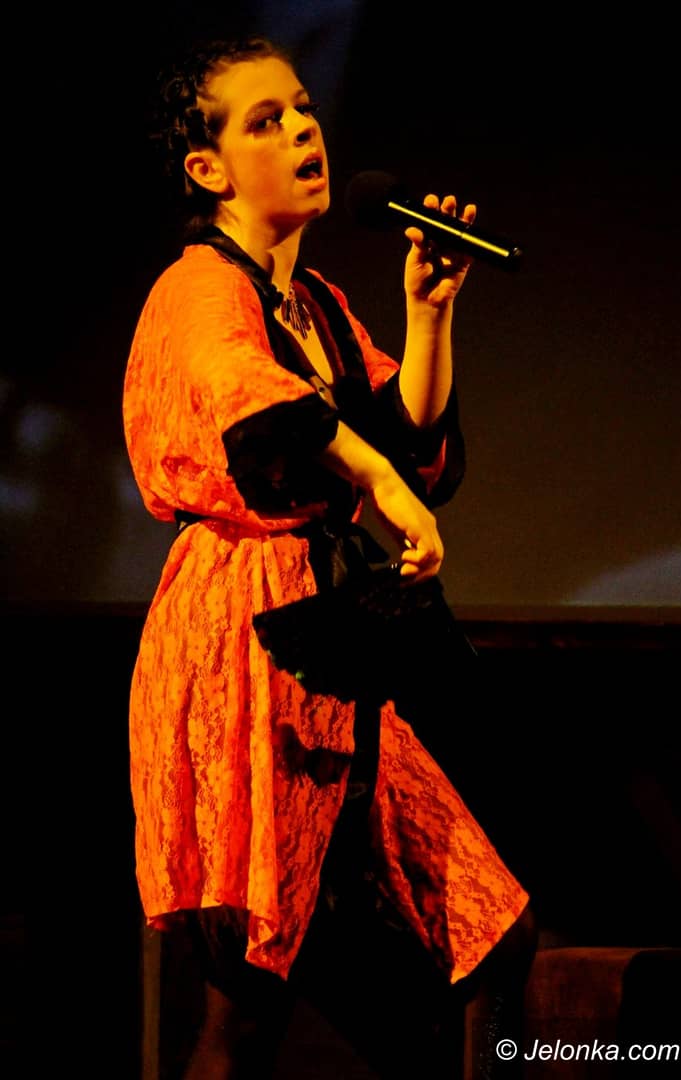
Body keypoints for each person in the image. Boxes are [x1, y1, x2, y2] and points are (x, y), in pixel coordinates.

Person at [123, 35, 536, 1080]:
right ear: (209, 167)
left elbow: (400, 438)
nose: (303, 130)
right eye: (266, 121)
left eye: (303, 109)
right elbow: (248, 396)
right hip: (243, 641)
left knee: (487, 934)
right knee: (248, 1004)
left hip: (329, 649)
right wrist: (381, 485)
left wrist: (429, 316)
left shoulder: (316, 308)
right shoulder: (198, 286)